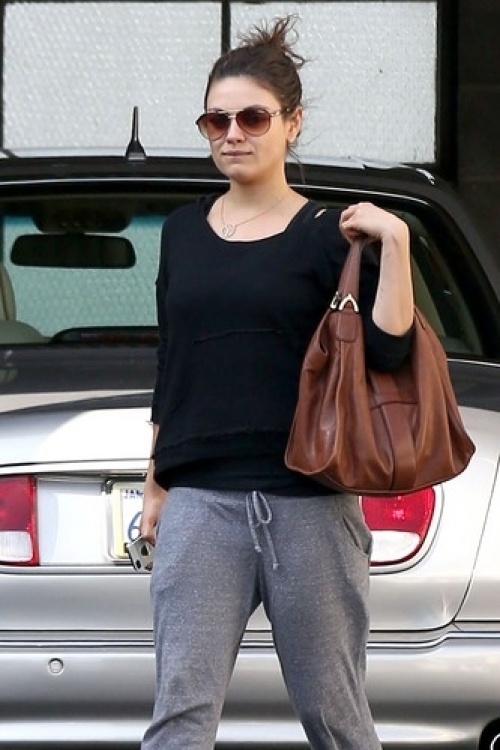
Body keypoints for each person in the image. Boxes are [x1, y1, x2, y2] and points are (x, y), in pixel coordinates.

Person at [140, 14, 414, 750]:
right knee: (180, 717)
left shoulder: (330, 234)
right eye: (216, 120)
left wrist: (396, 242)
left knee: (337, 718)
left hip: (311, 505)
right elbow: (174, 361)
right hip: (201, 504)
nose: (232, 133)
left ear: (292, 124)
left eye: (252, 117)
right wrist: (156, 481)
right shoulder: (182, 232)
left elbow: (390, 350)